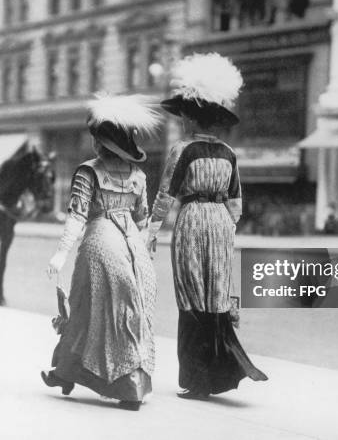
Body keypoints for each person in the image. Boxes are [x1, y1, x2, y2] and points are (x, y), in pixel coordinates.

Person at [147, 53, 268, 400]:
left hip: (192, 219)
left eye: (184, 113)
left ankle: (197, 378)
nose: (182, 118)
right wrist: (225, 229)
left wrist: (151, 233)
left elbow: (166, 195)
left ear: (191, 116)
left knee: (191, 294)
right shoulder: (229, 153)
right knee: (216, 293)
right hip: (219, 223)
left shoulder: (182, 149)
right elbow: (236, 202)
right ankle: (217, 374)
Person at [41, 94, 161, 412]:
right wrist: (146, 254)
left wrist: (60, 254)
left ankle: (68, 373)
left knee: (84, 310)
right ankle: (132, 382)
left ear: (100, 143)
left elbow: (78, 217)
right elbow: (142, 220)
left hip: (100, 245)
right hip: (134, 249)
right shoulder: (138, 176)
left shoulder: (88, 172)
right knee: (133, 313)